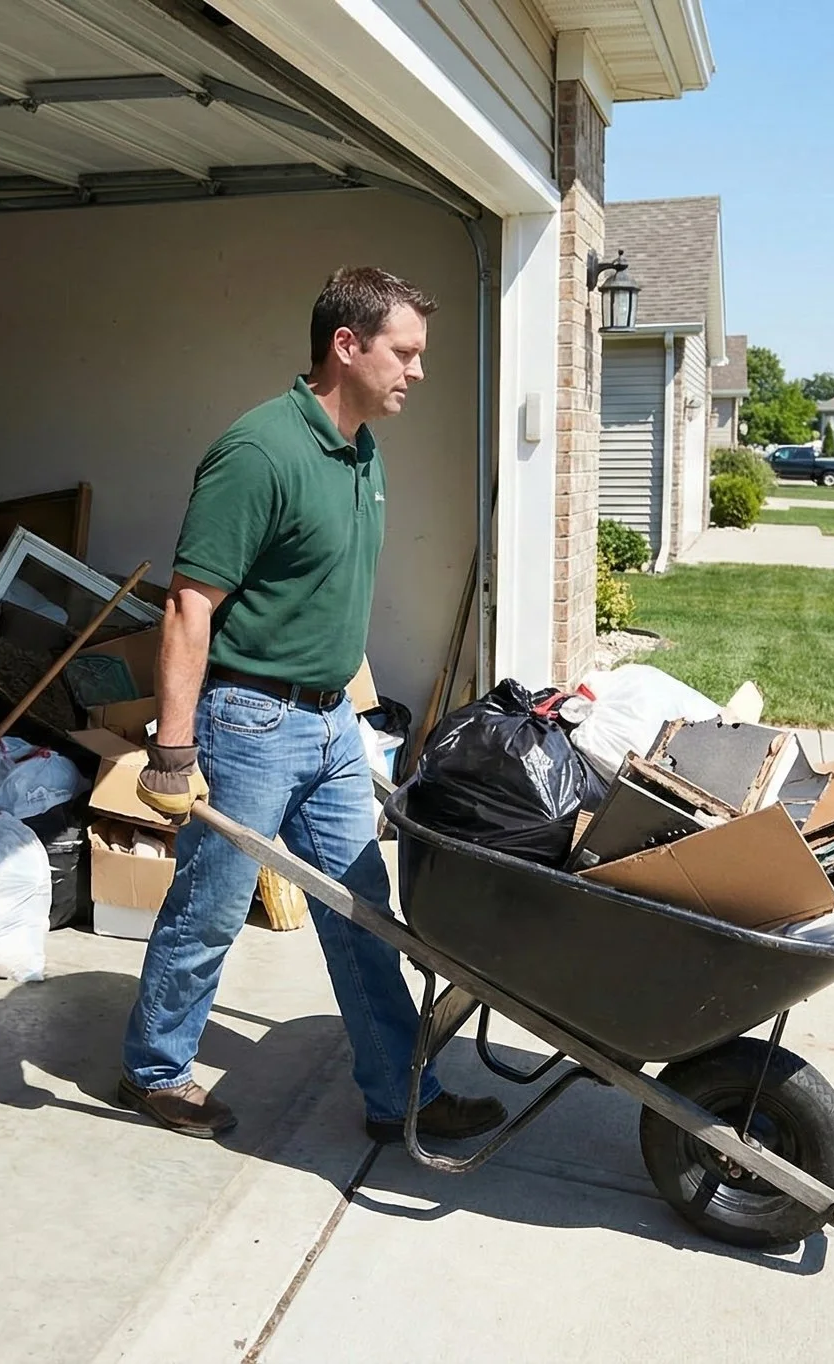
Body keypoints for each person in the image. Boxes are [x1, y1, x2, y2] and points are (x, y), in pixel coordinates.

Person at [117, 267, 506, 1145]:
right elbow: (189, 605)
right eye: (404, 352)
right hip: (250, 723)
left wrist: (355, 711)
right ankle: (154, 1070)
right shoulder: (259, 452)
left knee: (364, 910)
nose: (417, 370)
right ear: (347, 344)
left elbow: (327, 593)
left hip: (332, 723)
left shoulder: (364, 448)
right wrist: (172, 752)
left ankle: (396, 1092)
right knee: (211, 906)